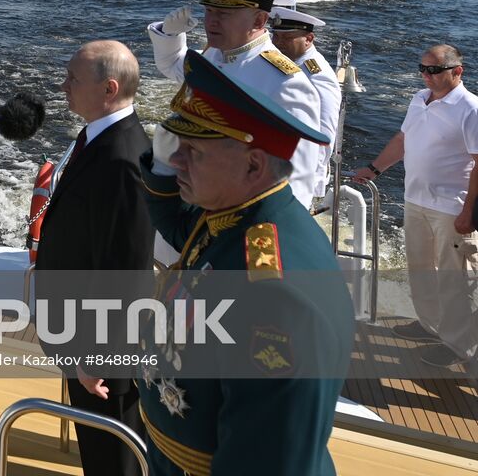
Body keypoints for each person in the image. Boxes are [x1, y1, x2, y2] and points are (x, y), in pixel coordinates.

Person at [138, 50, 354, 475]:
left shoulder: (273, 293)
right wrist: (165, 169)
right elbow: (185, 235)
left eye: (193, 152)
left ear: (253, 164)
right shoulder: (233, 217)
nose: (178, 160)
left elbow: (267, 459)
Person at [36, 40, 154, 476]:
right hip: (82, 335)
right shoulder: (98, 138)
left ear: (108, 88)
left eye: (73, 78)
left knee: (112, 461)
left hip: (101, 359)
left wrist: (96, 357)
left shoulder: (122, 160)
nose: (63, 85)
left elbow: (123, 270)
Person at [147, 0, 324, 206]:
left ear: (259, 21)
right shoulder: (214, 55)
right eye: (209, 10)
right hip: (187, 197)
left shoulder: (285, 82)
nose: (211, 21)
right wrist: (170, 34)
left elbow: (296, 181)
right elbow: (174, 66)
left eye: (223, 13)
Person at [353, 44, 478, 369]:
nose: (426, 75)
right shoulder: (419, 99)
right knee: (420, 268)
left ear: (457, 71)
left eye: (434, 70)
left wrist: (469, 211)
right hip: (415, 200)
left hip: (452, 207)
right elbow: (403, 140)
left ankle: (457, 345)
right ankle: (429, 324)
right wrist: (375, 168)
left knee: (453, 278)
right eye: (422, 68)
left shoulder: (470, 108)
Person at [270, 6, 342, 182]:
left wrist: (309, 177)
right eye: (276, 36)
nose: (278, 43)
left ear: (308, 39)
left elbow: (324, 133)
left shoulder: (316, 74)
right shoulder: (282, 63)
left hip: (299, 174)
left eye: (287, 38)